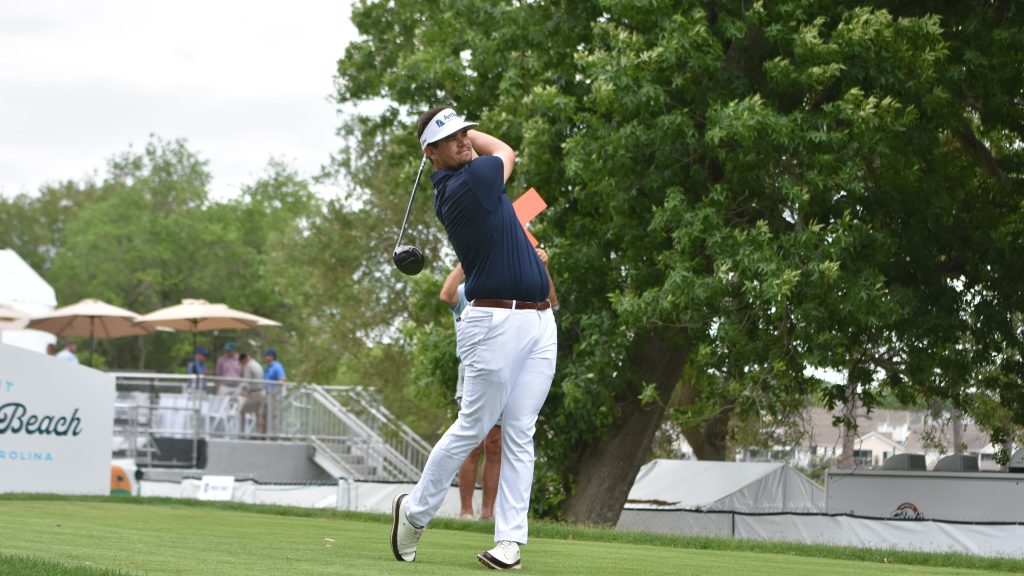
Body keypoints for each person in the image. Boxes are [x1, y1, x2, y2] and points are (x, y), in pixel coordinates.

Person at [391, 106, 557, 571]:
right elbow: (507, 150)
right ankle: (415, 512)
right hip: (492, 323)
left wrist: (455, 128)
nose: (464, 140)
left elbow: (510, 184)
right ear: (432, 154)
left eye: (465, 132)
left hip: (539, 321)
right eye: (452, 138)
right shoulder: (468, 182)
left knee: (521, 431)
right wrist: (476, 135)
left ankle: (509, 542)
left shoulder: (473, 177)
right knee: (474, 427)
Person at [441, 250, 558, 522]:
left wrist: (542, 267)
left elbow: (550, 302)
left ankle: (487, 513)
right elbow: (446, 296)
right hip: (474, 370)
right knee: (472, 442)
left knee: (494, 444)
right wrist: (465, 262)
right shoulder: (470, 291)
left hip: (510, 370)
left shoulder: (515, 291)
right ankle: (465, 510)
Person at [239, 352, 266, 435]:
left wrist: (242, 390)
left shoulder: (248, 366)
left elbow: (246, 381)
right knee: (259, 414)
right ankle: (260, 434)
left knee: (242, 411)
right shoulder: (257, 364)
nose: (242, 365)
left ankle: (241, 433)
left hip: (254, 393)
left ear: (244, 360)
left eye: (242, 363)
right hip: (262, 392)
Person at [262, 348, 286, 435]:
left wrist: (275, 391)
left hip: (274, 395)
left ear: (271, 356)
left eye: (266, 356)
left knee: (274, 414)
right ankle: (267, 433)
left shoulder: (277, 366)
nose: (264, 357)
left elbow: (282, 379)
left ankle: (274, 433)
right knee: (267, 413)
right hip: (267, 394)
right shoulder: (267, 367)